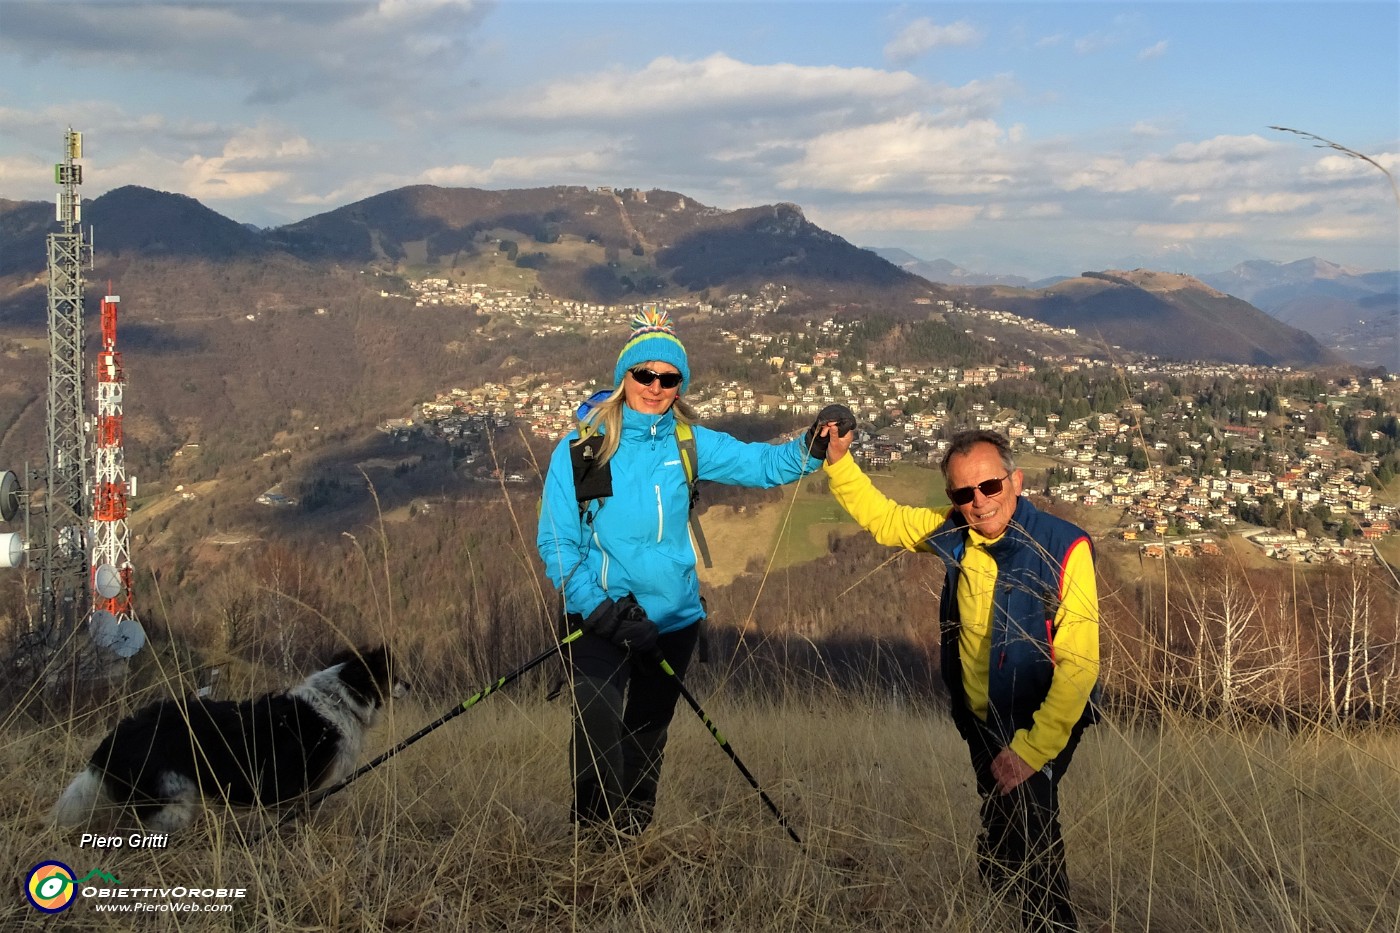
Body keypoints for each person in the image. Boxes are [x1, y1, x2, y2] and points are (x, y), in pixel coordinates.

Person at [536, 308, 845, 841]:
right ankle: (590, 843)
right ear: (623, 378)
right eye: (644, 374)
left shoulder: (688, 444)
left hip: (673, 620)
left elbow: (762, 465)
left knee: (647, 736)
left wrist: (813, 449)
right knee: (596, 725)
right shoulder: (588, 450)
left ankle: (629, 839)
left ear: (680, 386)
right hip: (600, 618)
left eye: (669, 377)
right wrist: (598, 606)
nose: (655, 387)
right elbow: (559, 543)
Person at [820, 422, 1099, 933]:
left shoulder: (1065, 547)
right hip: (978, 714)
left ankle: (1050, 923)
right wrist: (838, 463)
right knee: (999, 808)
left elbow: (1080, 665)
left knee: (1036, 829)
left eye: (990, 486)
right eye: (963, 492)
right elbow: (887, 520)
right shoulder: (956, 533)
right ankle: (994, 894)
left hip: (1038, 717)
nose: (979, 502)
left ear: (1015, 482)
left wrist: (1032, 750)